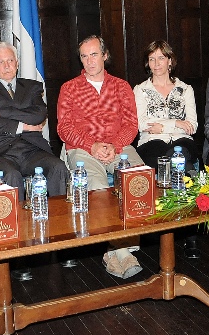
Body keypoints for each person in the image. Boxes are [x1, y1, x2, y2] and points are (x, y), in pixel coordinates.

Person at [57, 35, 144, 278]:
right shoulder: (69, 88)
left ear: (105, 56)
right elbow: (64, 128)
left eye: (94, 54)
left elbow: (131, 125)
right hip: (83, 149)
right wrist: (92, 145)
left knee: (138, 179)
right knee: (96, 187)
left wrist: (114, 145)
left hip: (118, 146)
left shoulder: (121, 86)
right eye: (84, 56)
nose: (89, 61)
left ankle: (113, 251)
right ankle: (122, 251)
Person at [0, 42, 68, 198]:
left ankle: (60, 213)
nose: (7, 66)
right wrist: (25, 126)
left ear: (17, 63)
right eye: (0, 62)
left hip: (31, 149)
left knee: (58, 167)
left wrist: (3, 112)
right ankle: (18, 215)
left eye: (10, 60)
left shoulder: (32, 86)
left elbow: (39, 115)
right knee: (11, 175)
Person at [133, 40, 199, 171]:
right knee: (159, 151)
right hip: (151, 141)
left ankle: (178, 168)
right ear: (148, 63)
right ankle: (187, 172)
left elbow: (192, 126)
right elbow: (142, 124)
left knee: (181, 149)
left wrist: (162, 127)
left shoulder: (185, 89)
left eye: (161, 58)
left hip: (182, 139)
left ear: (170, 61)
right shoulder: (140, 90)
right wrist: (177, 123)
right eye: (152, 59)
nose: (156, 63)